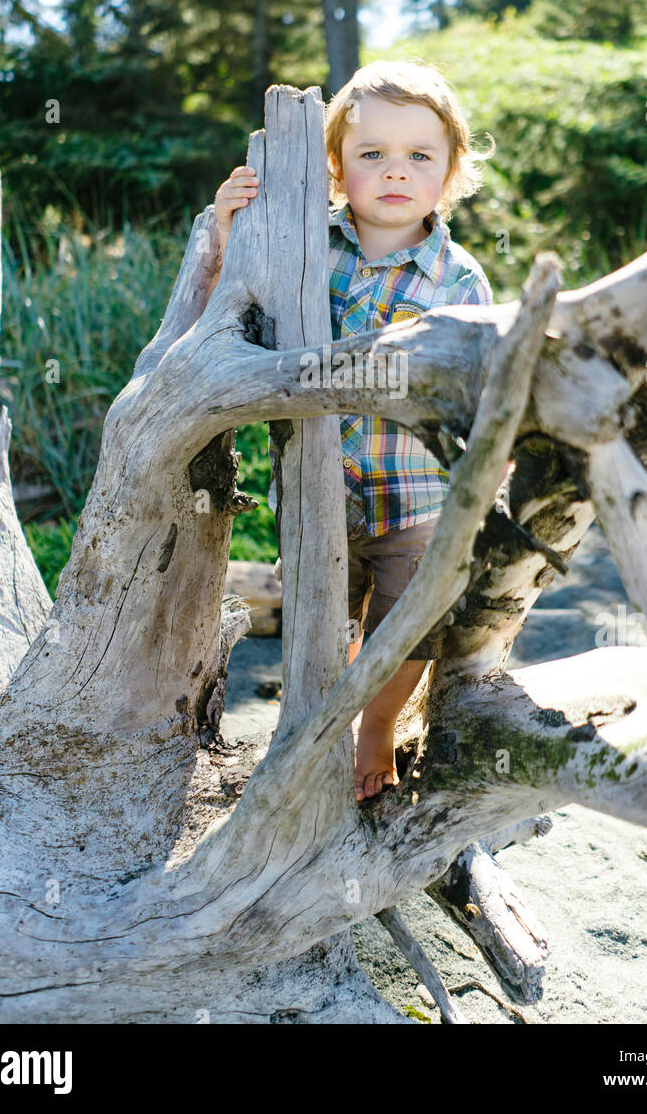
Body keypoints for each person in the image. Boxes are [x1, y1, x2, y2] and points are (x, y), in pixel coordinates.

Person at [214, 59, 503, 803]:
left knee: (406, 625)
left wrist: (492, 471)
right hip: (317, 486)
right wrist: (226, 225)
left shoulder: (458, 279)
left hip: (419, 493)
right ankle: (315, 725)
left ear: (450, 171)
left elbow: (488, 387)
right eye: (371, 154)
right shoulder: (308, 245)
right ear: (336, 167)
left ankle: (375, 726)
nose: (395, 171)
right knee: (321, 619)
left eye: (419, 156)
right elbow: (230, 297)